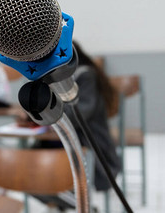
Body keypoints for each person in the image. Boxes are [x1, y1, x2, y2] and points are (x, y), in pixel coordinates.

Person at [17, 41, 121, 210]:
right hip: (61, 144)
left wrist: (47, 110)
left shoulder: (86, 76)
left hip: (88, 148)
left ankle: (79, 204)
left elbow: (77, 114)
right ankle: (64, 200)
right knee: (23, 171)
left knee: (38, 175)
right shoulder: (49, 79)